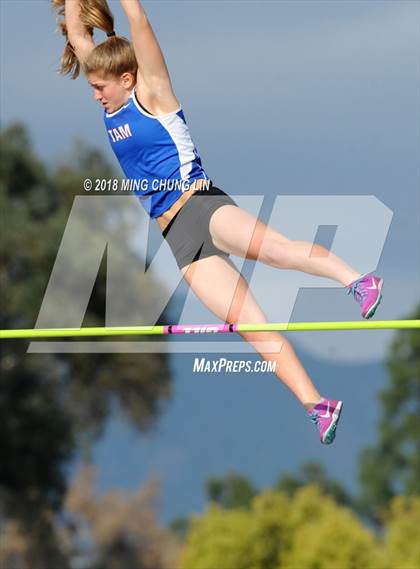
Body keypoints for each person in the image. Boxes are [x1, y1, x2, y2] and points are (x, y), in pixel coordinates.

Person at [53, 0, 384, 444]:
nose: (94, 94)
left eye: (99, 86)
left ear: (126, 78)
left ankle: (358, 282)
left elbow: (140, 21)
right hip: (175, 235)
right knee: (252, 327)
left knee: (276, 251)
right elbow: (78, 36)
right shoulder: (110, 103)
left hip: (202, 206)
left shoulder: (153, 95)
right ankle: (317, 405)